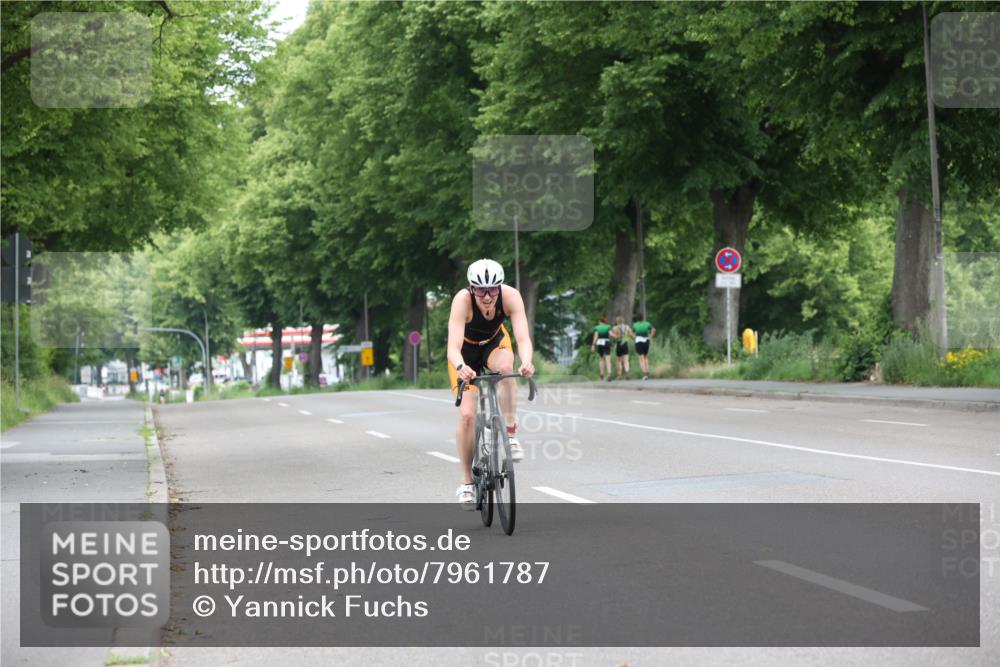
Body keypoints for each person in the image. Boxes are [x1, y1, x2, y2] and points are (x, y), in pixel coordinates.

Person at [447, 259, 535, 509]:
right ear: (471, 288)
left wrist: (527, 362)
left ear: (500, 286)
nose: (487, 297)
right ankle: (466, 482)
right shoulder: (461, 301)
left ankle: (510, 431)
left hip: (494, 343)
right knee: (467, 415)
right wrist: (462, 367)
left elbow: (522, 338)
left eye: (493, 289)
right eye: (481, 290)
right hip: (464, 353)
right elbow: (452, 348)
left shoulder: (511, 297)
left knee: (507, 368)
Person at [591, 316, 613, 381]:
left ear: (600, 322)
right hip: (606, 342)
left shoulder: (597, 328)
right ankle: (609, 374)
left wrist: (593, 345)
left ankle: (601, 374)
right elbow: (611, 334)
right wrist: (616, 335)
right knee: (608, 359)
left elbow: (596, 336)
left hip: (600, 343)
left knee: (601, 359)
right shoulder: (608, 327)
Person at [611, 315, 633, 380]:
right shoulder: (627, 327)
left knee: (619, 361)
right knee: (626, 360)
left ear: (617, 321)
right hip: (625, 343)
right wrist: (627, 337)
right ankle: (627, 373)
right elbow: (631, 334)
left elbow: (613, 335)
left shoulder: (614, 328)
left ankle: (619, 375)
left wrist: (615, 335)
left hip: (618, 344)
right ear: (623, 321)